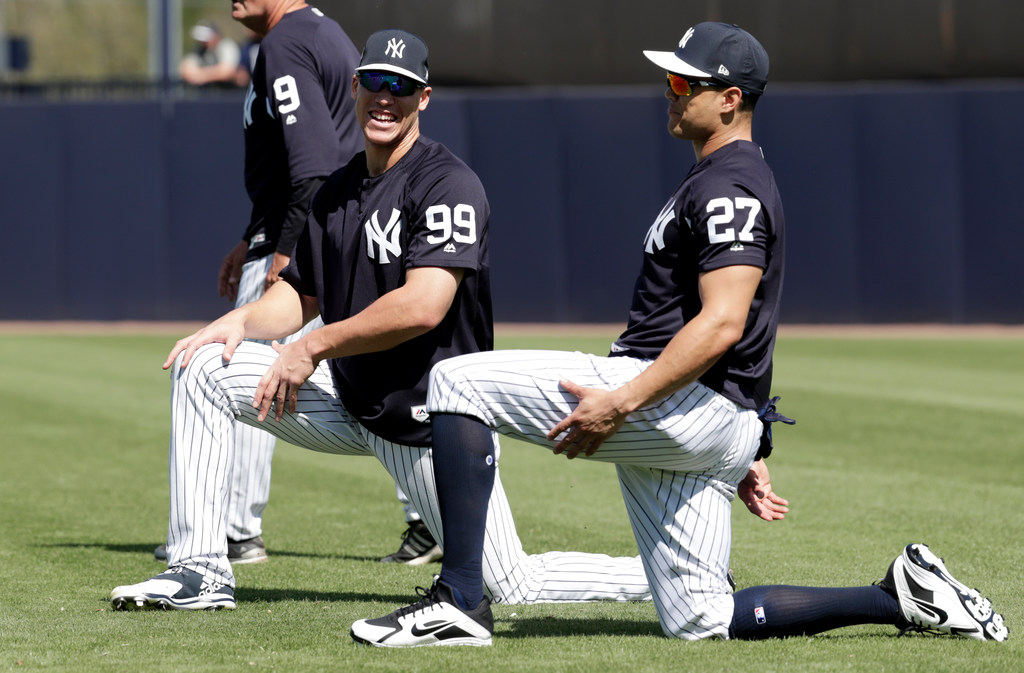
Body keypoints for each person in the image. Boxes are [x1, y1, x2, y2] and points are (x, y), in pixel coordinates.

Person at [350, 22, 1009, 647]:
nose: (669, 93)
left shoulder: (731, 183)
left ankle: (460, 599)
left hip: (671, 403)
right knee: (702, 619)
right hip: (707, 415)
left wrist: (626, 400)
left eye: (682, 85)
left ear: (729, 100)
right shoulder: (717, 176)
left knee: (455, 379)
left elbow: (723, 321)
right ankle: (899, 595)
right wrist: (741, 437)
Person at [111, 28, 651, 612]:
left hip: (428, 422)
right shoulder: (338, 189)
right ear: (355, 87)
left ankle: (660, 577)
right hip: (347, 400)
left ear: (423, 98)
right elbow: (300, 297)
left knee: (508, 584)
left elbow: (424, 306)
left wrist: (312, 348)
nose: (384, 97)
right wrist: (239, 322)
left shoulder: (448, 184)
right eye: (375, 82)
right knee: (202, 368)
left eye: (401, 86)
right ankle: (199, 572)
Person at [179, 21, 243, 88]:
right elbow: (185, 69)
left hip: (231, 92)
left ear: (216, 36)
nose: (204, 42)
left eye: (206, 38)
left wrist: (200, 75)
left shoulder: (226, 46)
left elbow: (227, 72)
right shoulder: (200, 50)